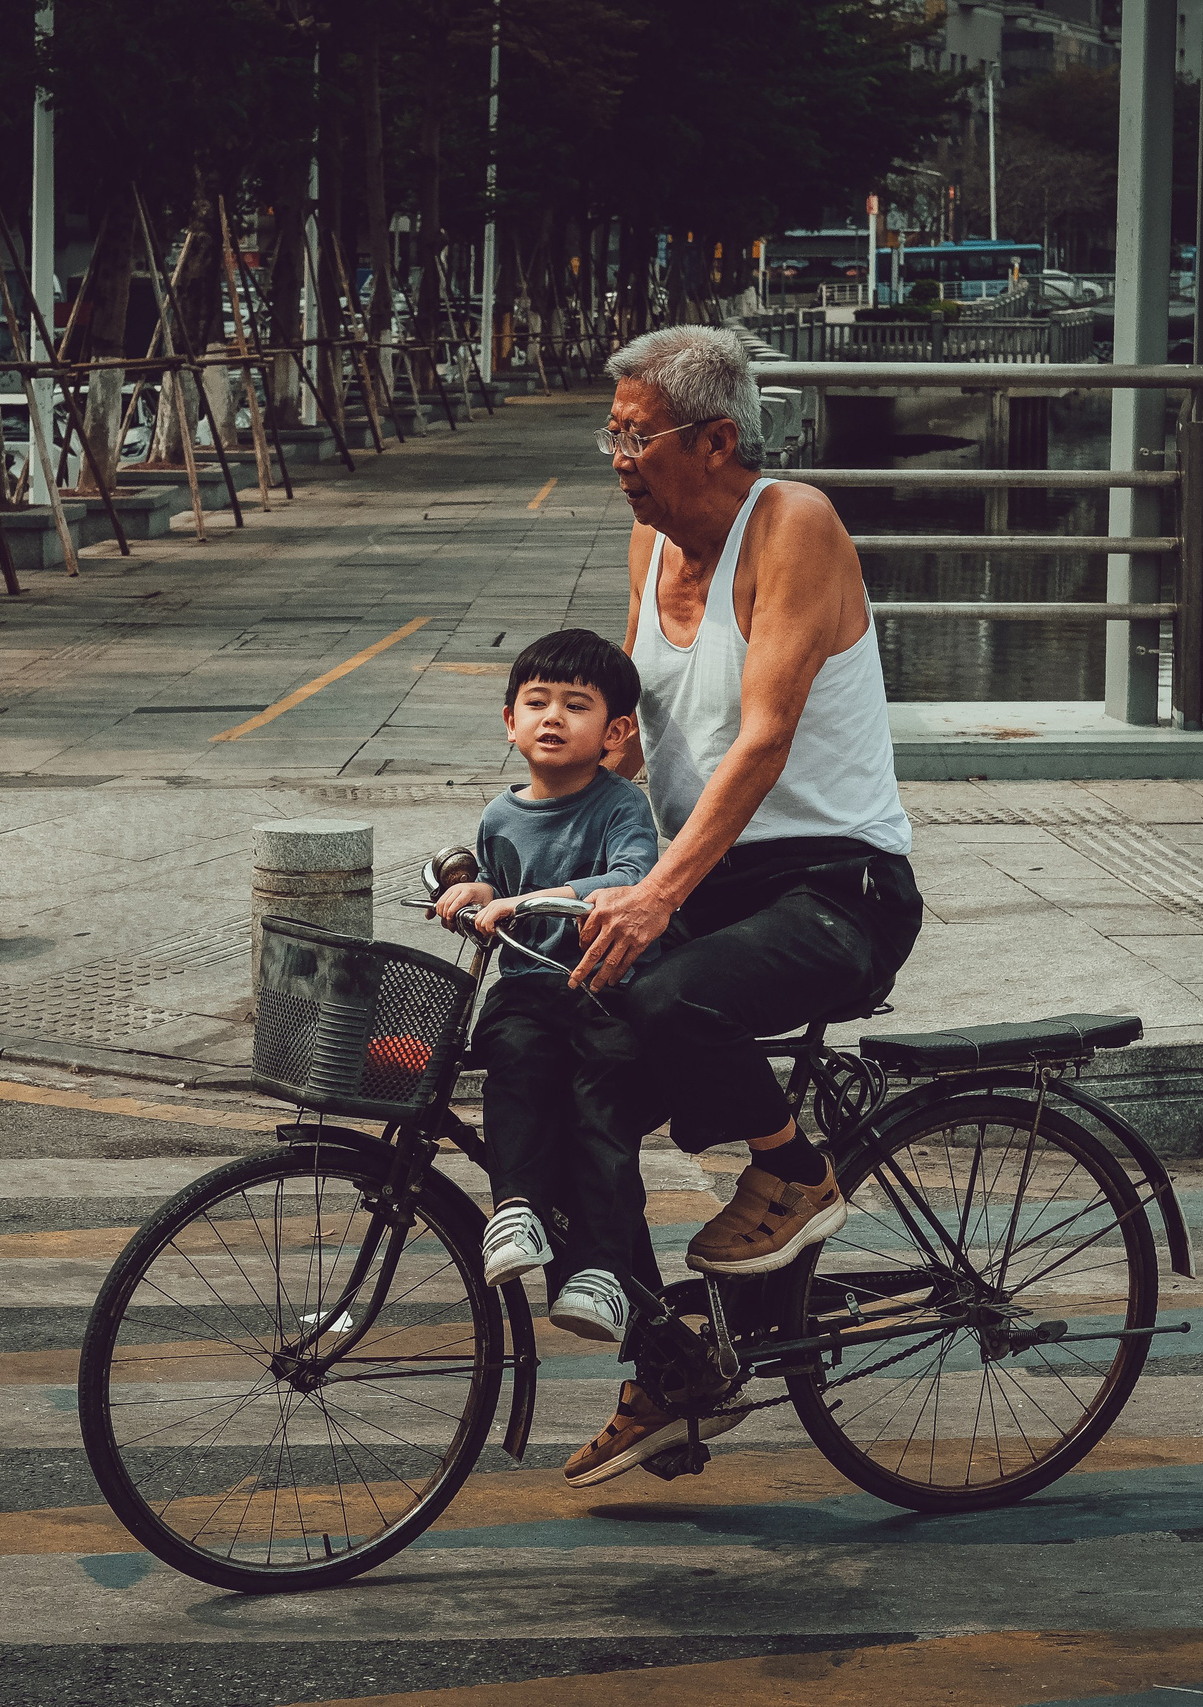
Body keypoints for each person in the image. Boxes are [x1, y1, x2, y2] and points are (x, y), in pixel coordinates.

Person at [556, 324, 925, 1484]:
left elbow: (761, 741)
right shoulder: (646, 546)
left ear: (714, 441)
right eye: (611, 434)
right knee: (571, 1077)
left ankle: (792, 1170)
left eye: (635, 436)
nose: (619, 458)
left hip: (835, 889)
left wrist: (655, 896)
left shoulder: (791, 525)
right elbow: (634, 744)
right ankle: (672, 1367)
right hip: (715, 888)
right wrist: (543, 830)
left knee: (668, 996)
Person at [430, 628, 664, 1348]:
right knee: (513, 1067)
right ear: (511, 721)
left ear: (615, 732)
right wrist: (480, 890)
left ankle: (602, 1270)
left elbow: (632, 878)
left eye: (575, 705)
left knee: (600, 1111)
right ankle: (517, 1208)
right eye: (536, 703)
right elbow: (498, 883)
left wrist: (534, 899)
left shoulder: (619, 805)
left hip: (603, 990)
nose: (552, 717)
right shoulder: (500, 815)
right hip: (529, 989)